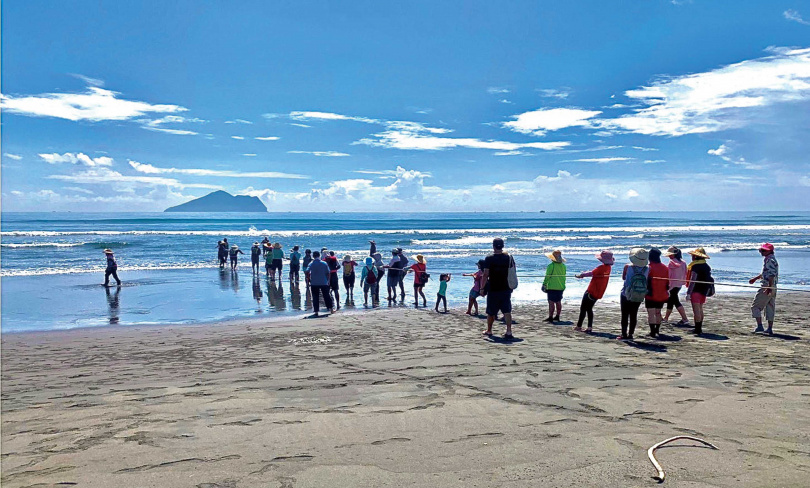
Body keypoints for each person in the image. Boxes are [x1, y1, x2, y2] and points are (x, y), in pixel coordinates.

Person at [482, 238, 514, 339]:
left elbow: (485, 274)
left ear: (493, 246)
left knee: (491, 311)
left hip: (493, 287)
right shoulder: (508, 257)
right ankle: (509, 331)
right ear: (503, 245)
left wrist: (482, 287)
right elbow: (513, 271)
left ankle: (489, 330)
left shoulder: (489, 258)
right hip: (506, 287)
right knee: (507, 310)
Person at [574, 250, 613, 333]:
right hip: (598, 292)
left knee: (583, 308)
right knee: (589, 309)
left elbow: (591, 273)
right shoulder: (608, 268)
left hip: (591, 291)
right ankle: (589, 327)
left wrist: (581, 275)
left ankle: (579, 326)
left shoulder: (601, 268)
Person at [620, 248, 649, 341]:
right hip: (639, 293)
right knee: (634, 314)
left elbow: (624, 278)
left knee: (624, 314)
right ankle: (631, 334)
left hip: (626, 293)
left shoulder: (627, 267)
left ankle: (624, 334)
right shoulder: (648, 268)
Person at [749, 243, 778, 335]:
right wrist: (755, 278)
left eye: (763, 250)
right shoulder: (771, 259)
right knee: (770, 307)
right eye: (761, 250)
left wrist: (768, 287)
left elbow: (771, 275)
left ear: (769, 251)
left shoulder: (770, 260)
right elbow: (766, 273)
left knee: (755, 306)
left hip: (767, 286)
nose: (761, 252)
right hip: (772, 286)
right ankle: (769, 328)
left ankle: (760, 326)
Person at [686, 247, 713, 335]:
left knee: (696, 310)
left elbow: (693, 280)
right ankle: (699, 327)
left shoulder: (696, 266)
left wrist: (688, 293)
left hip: (696, 290)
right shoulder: (706, 266)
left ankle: (697, 329)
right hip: (704, 290)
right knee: (700, 309)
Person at [645, 248, 669, 338]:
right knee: (658, 312)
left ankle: (652, 332)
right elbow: (668, 282)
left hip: (651, 294)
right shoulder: (665, 268)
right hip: (662, 293)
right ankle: (657, 330)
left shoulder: (649, 268)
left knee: (651, 313)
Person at [663, 246, 690, 326]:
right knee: (671, 300)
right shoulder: (683, 262)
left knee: (675, 301)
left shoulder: (671, 263)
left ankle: (685, 318)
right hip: (679, 284)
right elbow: (686, 273)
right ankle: (666, 318)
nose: (669, 256)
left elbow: (669, 275)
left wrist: (667, 284)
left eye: (670, 254)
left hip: (672, 285)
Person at [542, 250, 566, 323]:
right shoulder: (563, 266)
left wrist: (544, 284)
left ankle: (550, 317)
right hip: (560, 286)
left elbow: (547, 276)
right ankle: (557, 316)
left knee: (551, 302)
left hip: (552, 287)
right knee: (558, 302)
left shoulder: (551, 266)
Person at [308, 251, 334, 316]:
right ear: (319, 256)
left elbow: (307, 271)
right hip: (323, 282)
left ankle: (316, 311)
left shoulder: (311, 263)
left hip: (314, 282)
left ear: (313, 256)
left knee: (315, 297)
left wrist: (308, 279)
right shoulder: (324, 263)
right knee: (326, 296)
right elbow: (328, 273)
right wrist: (328, 281)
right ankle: (331, 309)